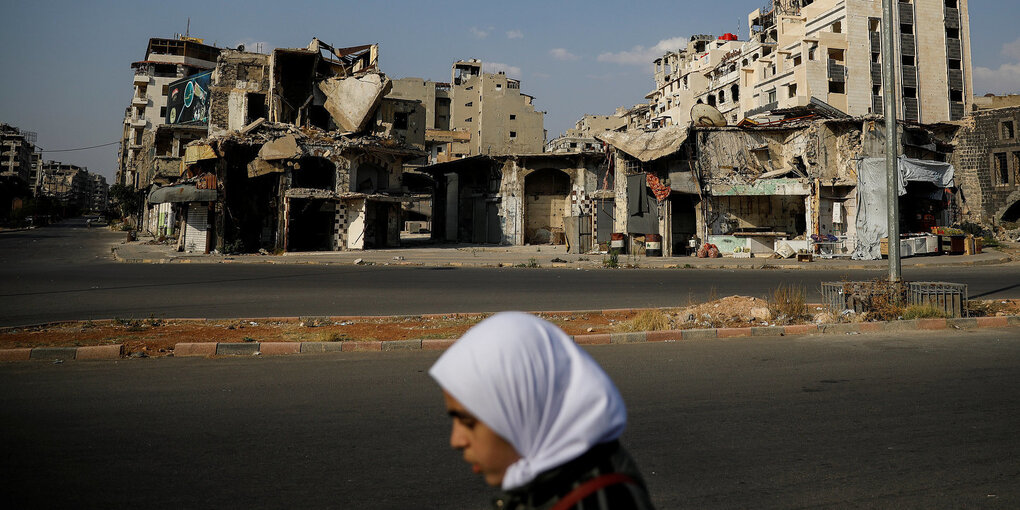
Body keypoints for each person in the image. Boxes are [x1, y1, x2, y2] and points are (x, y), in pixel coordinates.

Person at [430, 312, 655, 510]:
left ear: (523, 410)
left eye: (468, 421)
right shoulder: (548, 485)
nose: (456, 441)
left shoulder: (601, 501)